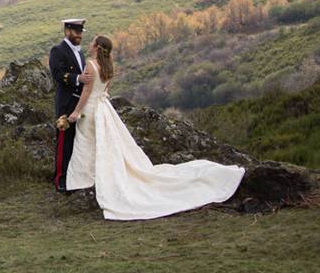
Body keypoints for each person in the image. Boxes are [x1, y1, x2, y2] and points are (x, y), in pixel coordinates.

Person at [65, 34, 246, 220]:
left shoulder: (91, 64)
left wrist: (76, 112)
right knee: (104, 144)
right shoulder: (109, 66)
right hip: (104, 107)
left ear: (96, 47)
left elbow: (87, 91)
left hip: (92, 108)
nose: (90, 44)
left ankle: (84, 180)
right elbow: (105, 90)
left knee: (86, 143)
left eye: (92, 42)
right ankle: (94, 177)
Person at [49, 18, 91, 192]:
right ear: (67, 31)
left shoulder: (80, 53)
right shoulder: (58, 50)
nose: (79, 35)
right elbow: (57, 74)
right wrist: (77, 78)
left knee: (78, 141)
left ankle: (75, 176)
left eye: (81, 32)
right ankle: (60, 179)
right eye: (76, 32)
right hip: (66, 103)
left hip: (80, 103)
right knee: (64, 142)